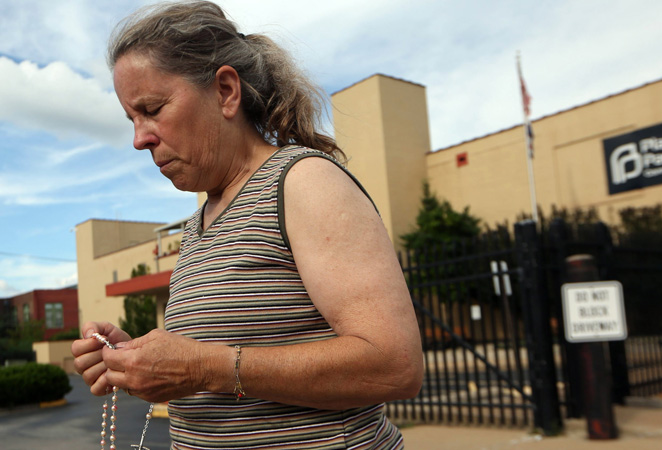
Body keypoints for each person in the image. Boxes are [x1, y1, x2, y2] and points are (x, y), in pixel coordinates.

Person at [70, 1, 423, 448]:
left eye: (153, 109)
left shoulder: (302, 182)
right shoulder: (200, 221)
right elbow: (222, 356)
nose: (139, 138)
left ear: (225, 91)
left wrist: (201, 367)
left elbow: (394, 366)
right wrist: (136, 361)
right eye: (132, 119)